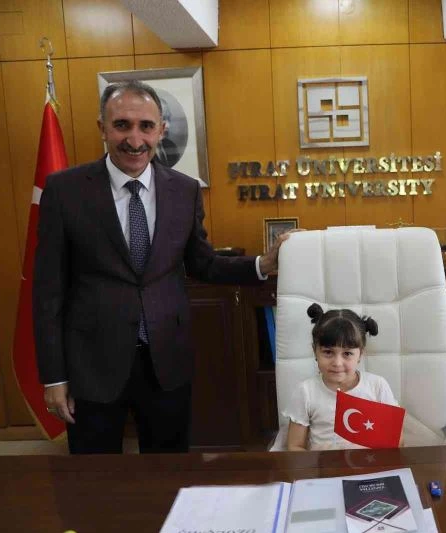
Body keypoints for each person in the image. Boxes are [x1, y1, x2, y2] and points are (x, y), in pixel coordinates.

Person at [33, 80, 288, 454]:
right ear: (102, 128)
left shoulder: (184, 190)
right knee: (94, 477)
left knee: (170, 471)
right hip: (92, 364)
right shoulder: (64, 190)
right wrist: (54, 377)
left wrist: (262, 264)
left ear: (161, 130)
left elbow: (203, 263)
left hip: (166, 361)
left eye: (146, 126)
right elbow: (48, 291)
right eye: (122, 125)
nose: (134, 139)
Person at [285, 304, 399, 451]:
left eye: (347, 354)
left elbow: (396, 441)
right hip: (322, 464)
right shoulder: (306, 391)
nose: (337, 363)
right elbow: (295, 446)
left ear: (360, 354)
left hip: (369, 463)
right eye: (328, 352)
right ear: (315, 351)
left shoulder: (377, 386)